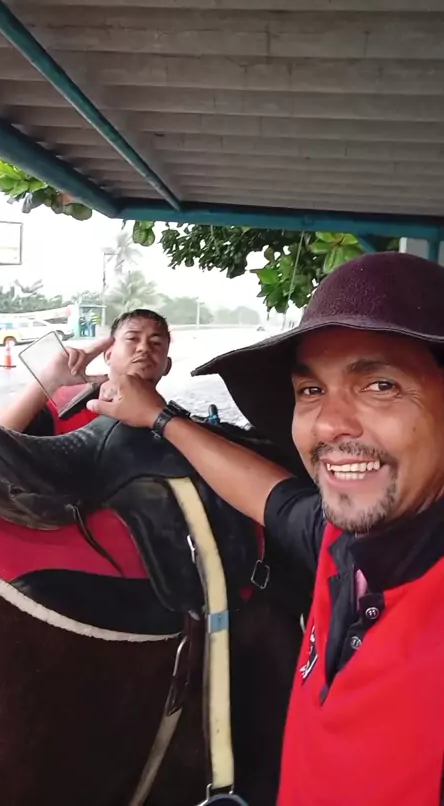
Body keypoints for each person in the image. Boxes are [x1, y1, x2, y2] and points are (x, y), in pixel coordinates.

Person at [87, 252, 444, 806]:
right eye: (311, 391)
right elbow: (270, 496)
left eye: (380, 385)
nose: (328, 425)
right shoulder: (339, 541)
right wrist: (160, 418)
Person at [0, 308, 172, 435]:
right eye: (132, 338)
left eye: (156, 343)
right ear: (108, 355)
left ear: (167, 366)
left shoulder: (175, 425)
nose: (144, 348)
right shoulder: (67, 405)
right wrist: (48, 381)